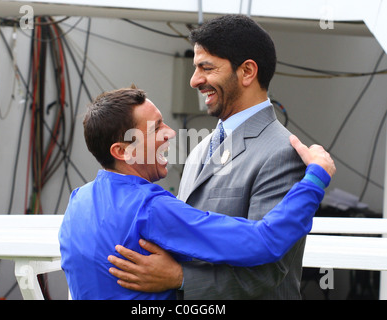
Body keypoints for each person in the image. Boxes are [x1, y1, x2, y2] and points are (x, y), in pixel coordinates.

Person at [108, 15, 325, 300]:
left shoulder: (283, 152)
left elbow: (270, 270)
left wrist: (179, 277)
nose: (195, 80)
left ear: (247, 72)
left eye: (206, 68)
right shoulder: (201, 148)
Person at [58, 88, 335, 300]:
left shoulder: (77, 202)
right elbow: (266, 241)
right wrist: (315, 179)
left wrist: (178, 275)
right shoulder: (151, 209)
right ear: (122, 151)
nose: (170, 134)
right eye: (156, 128)